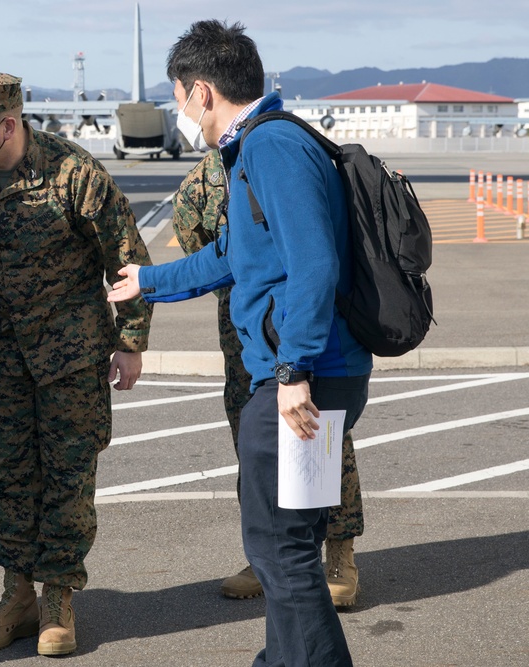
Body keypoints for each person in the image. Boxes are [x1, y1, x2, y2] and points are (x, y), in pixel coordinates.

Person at [109, 20, 371, 666]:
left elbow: (312, 264)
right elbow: (235, 255)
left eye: (178, 98)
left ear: (202, 91)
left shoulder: (272, 149)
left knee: (278, 548)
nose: (181, 113)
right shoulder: (257, 147)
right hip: (308, 372)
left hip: (302, 379)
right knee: (289, 548)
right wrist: (149, 281)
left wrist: (293, 371)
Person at [0, 72, 153, 657]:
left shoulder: (74, 173)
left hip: (71, 353)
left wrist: (131, 340)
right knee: (9, 477)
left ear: (8, 125)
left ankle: (59, 598)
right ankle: (17, 598)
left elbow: (125, 258)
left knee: (69, 477)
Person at [172, 150, 364, 606]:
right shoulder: (203, 180)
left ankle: (339, 550)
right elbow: (196, 243)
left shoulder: (284, 157)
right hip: (244, 332)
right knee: (254, 444)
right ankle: (268, 556)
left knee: (320, 433)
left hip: (302, 319)